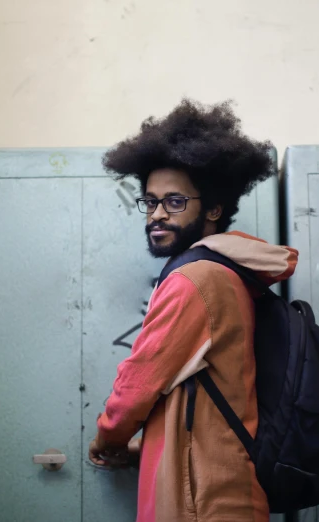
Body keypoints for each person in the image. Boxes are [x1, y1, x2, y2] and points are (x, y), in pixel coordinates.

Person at [88, 99, 298, 522]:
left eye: (176, 201)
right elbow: (195, 404)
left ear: (214, 209)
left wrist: (108, 438)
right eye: (149, 202)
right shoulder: (226, 274)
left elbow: (137, 384)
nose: (158, 214)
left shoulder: (195, 279)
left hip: (203, 501)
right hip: (218, 489)